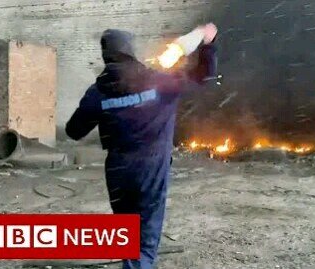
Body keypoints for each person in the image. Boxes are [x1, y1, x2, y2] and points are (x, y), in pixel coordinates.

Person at [65, 23, 218, 269]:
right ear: (130, 50)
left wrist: (101, 109)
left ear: (106, 54)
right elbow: (203, 77)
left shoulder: (97, 92)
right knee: (145, 238)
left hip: (118, 170)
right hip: (152, 166)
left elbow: (73, 132)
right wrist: (207, 45)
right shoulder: (158, 81)